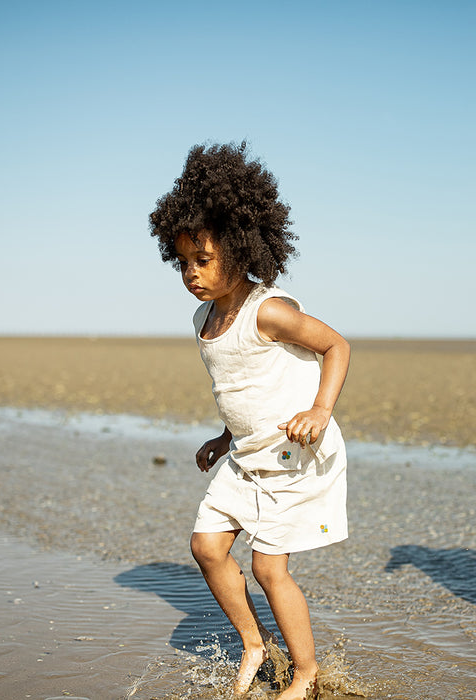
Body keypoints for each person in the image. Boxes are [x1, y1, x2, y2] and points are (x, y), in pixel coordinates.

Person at [149, 142, 350, 698]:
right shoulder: (203, 318)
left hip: (294, 453)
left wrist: (320, 410)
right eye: (183, 261)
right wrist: (222, 437)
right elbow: (241, 388)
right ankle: (256, 643)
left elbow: (336, 346)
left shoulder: (270, 310)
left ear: (239, 249)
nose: (191, 273)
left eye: (203, 260)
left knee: (267, 567)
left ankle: (306, 673)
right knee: (207, 547)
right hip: (246, 453)